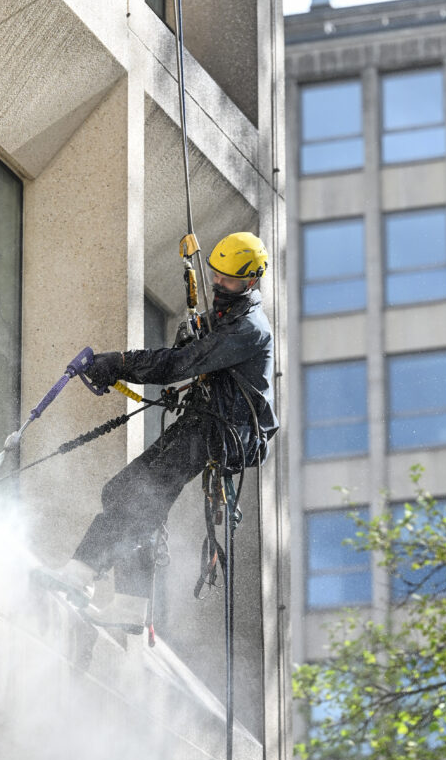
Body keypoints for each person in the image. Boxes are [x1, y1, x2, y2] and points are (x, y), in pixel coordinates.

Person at [41, 232, 278, 630]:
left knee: (135, 493)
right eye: (216, 275)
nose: (219, 284)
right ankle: (131, 607)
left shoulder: (249, 328)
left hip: (221, 430)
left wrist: (117, 363)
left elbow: (176, 365)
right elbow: (196, 354)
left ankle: (79, 575)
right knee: (132, 495)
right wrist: (197, 331)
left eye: (230, 281)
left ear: (252, 281)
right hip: (206, 419)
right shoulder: (230, 316)